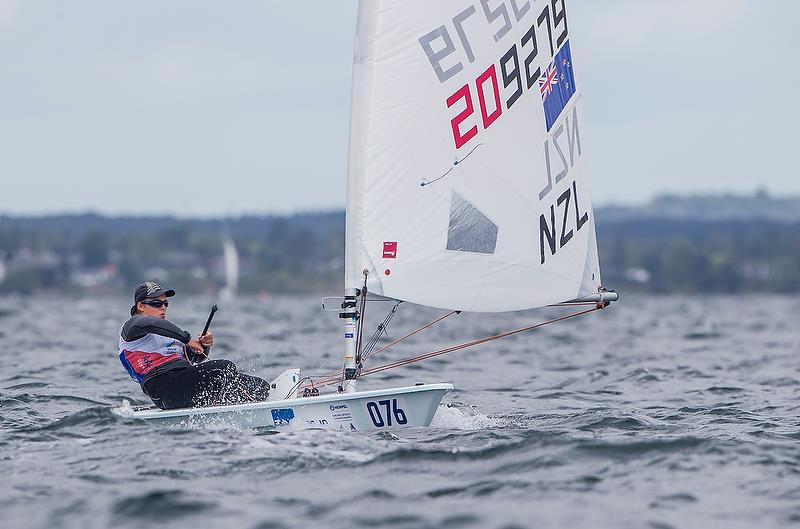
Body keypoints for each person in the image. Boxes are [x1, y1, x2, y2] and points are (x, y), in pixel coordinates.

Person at [118, 281, 270, 409]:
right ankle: (217, 407)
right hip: (163, 389)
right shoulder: (132, 327)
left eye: (165, 303)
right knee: (224, 367)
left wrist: (203, 345)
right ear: (140, 306)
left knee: (260, 386)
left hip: (182, 382)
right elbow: (150, 323)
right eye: (157, 303)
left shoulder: (165, 333)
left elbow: (194, 359)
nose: (163, 307)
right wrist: (187, 339)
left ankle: (229, 404)